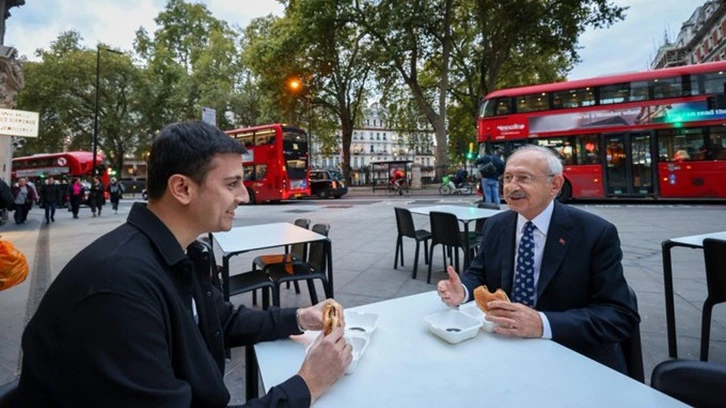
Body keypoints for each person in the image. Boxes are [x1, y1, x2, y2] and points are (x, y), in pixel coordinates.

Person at [14, 121, 353, 407]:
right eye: (231, 183)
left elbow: (220, 319)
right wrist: (307, 385)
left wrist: (297, 317)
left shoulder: (182, 251)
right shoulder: (118, 291)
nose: (245, 196)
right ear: (182, 188)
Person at [437, 145, 639, 373]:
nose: (512, 187)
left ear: (554, 185)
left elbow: (619, 315)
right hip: (504, 350)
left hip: (571, 357)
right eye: (507, 178)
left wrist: (543, 324)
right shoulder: (496, 225)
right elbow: (480, 273)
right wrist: (462, 290)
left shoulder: (595, 233)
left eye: (524, 178)